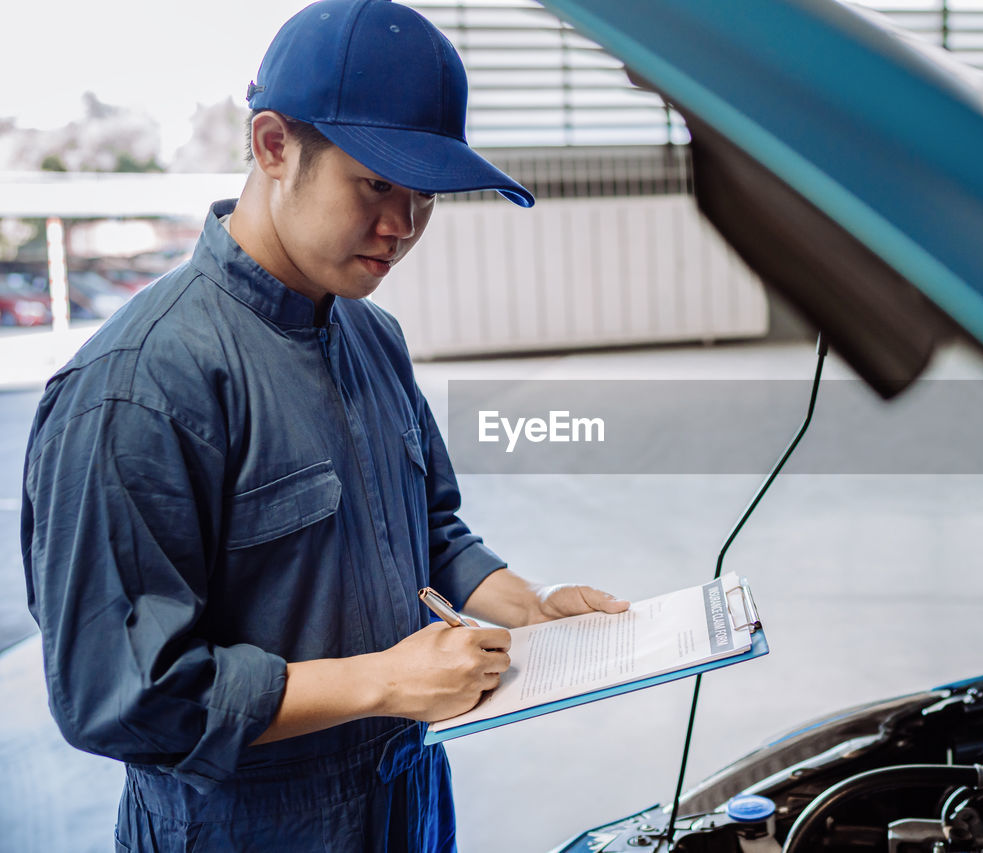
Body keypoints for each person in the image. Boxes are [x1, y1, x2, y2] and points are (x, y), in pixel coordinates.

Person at [19, 1, 628, 849]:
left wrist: (530, 607)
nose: (404, 226)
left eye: (425, 194)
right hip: (246, 829)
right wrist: (381, 681)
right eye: (377, 182)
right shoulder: (139, 388)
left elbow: (432, 531)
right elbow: (121, 692)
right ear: (273, 146)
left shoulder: (370, 335)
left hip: (405, 802)